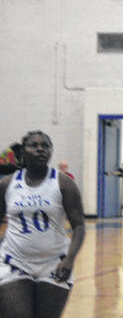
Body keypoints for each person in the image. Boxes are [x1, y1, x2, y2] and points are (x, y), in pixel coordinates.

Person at [0, 130, 85, 318]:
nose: (40, 149)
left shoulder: (64, 184)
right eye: (34, 145)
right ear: (23, 152)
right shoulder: (7, 184)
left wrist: (70, 259)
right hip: (15, 261)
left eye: (45, 146)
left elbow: (79, 226)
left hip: (55, 263)